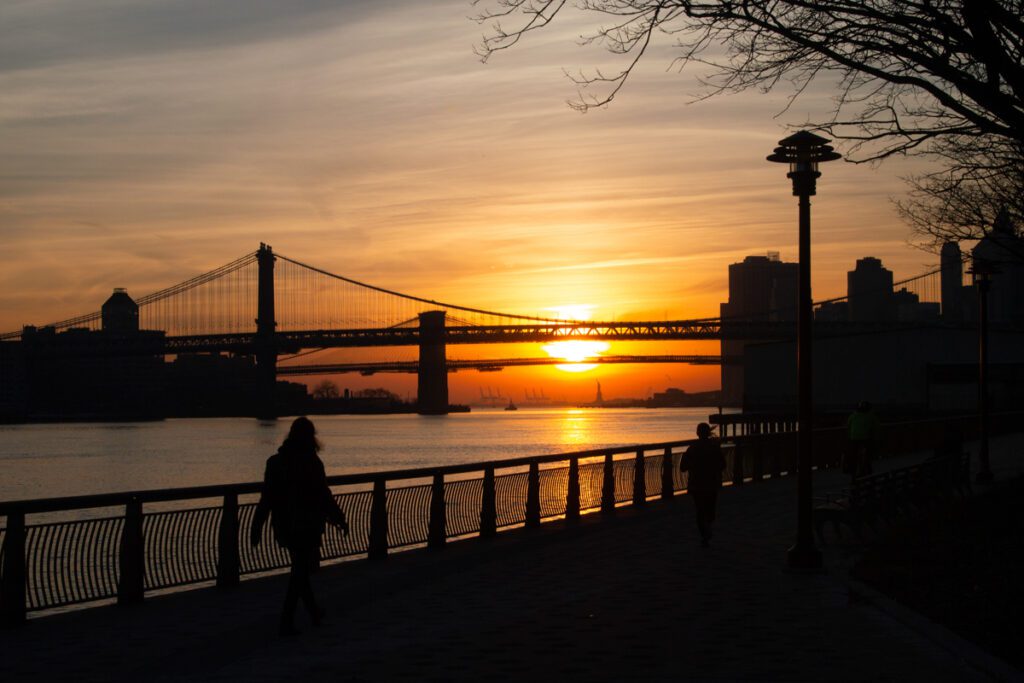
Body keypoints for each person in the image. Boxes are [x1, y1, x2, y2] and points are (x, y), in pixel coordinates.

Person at [251, 416, 349, 636]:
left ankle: (313, 612)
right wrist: (339, 517)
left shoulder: (274, 462)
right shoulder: (313, 462)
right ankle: (287, 620)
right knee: (301, 570)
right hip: (308, 523)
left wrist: (257, 525)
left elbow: (267, 497)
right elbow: (324, 495)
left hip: (284, 523)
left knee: (300, 568)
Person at [679, 422, 726, 548]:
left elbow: (682, 467)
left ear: (697, 433)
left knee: (699, 511)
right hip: (711, 483)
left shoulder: (692, 448)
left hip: (696, 485)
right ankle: (707, 530)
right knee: (710, 510)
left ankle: (704, 535)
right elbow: (722, 465)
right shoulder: (714, 447)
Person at [845, 401, 881, 480]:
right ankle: (867, 469)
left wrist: (848, 437)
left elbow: (848, 427)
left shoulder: (853, 416)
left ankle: (853, 470)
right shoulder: (871, 416)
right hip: (866, 439)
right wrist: (876, 439)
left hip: (853, 438)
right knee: (868, 454)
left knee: (853, 455)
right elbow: (876, 429)